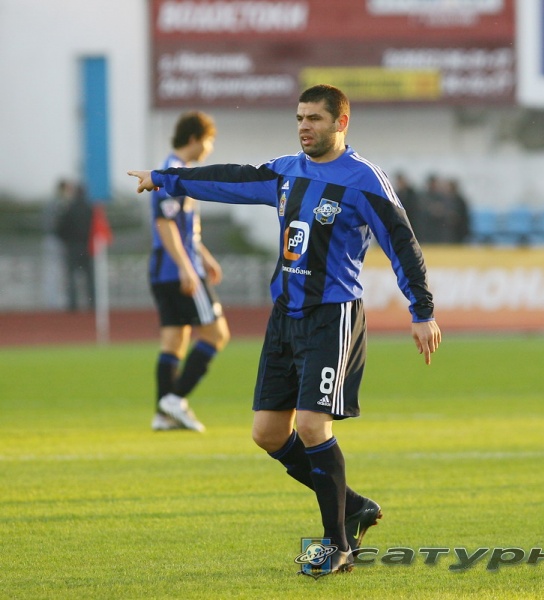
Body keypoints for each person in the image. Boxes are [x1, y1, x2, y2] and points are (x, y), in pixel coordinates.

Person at [129, 85, 441, 575]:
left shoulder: (365, 180)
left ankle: (337, 546)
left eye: (314, 118)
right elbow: (232, 179)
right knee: (268, 434)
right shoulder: (286, 171)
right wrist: (167, 180)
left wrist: (421, 310)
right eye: (299, 118)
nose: (304, 127)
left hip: (332, 315)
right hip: (284, 317)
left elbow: (402, 243)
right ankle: (354, 506)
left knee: (313, 426)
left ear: (341, 122)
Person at [148, 110, 231, 433]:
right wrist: (187, 267)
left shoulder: (177, 171)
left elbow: (183, 230)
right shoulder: (173, 172)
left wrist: (205, 256)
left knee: (174, 341)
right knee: (217, 334)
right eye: (209, 141)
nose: (210, 148)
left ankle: (162, 415)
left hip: (163, 270)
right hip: (178, 270)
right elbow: (165, 224)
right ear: (195, 138)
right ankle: (174, 399)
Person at [54, 180, 95, 311]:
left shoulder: (69, 208)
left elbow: (60, 228)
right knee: (90, 277)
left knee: (71, 276)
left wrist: (66, 240)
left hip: (72, 246)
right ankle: (92, 304)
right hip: (87, 246)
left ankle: (73, 305)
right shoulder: (90, 209)